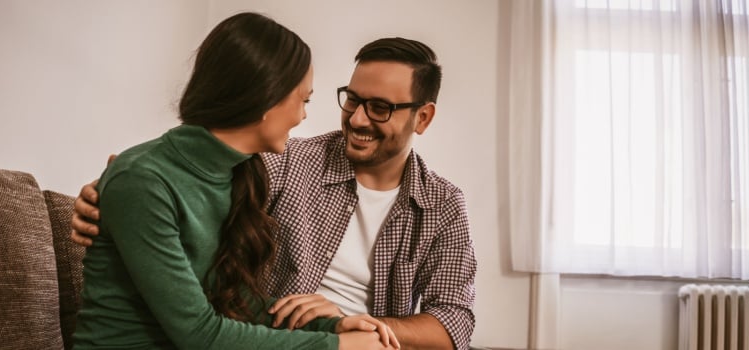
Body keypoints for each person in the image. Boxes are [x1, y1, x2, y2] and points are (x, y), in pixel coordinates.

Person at [72, 36, 476, 350]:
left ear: (422, 117)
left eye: (380, 108)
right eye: (352, 99)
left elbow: (455, 322)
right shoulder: (287, 160)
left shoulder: (443, 204)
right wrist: (101, 190)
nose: (356, 118)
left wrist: (357, 325)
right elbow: (193, 175)